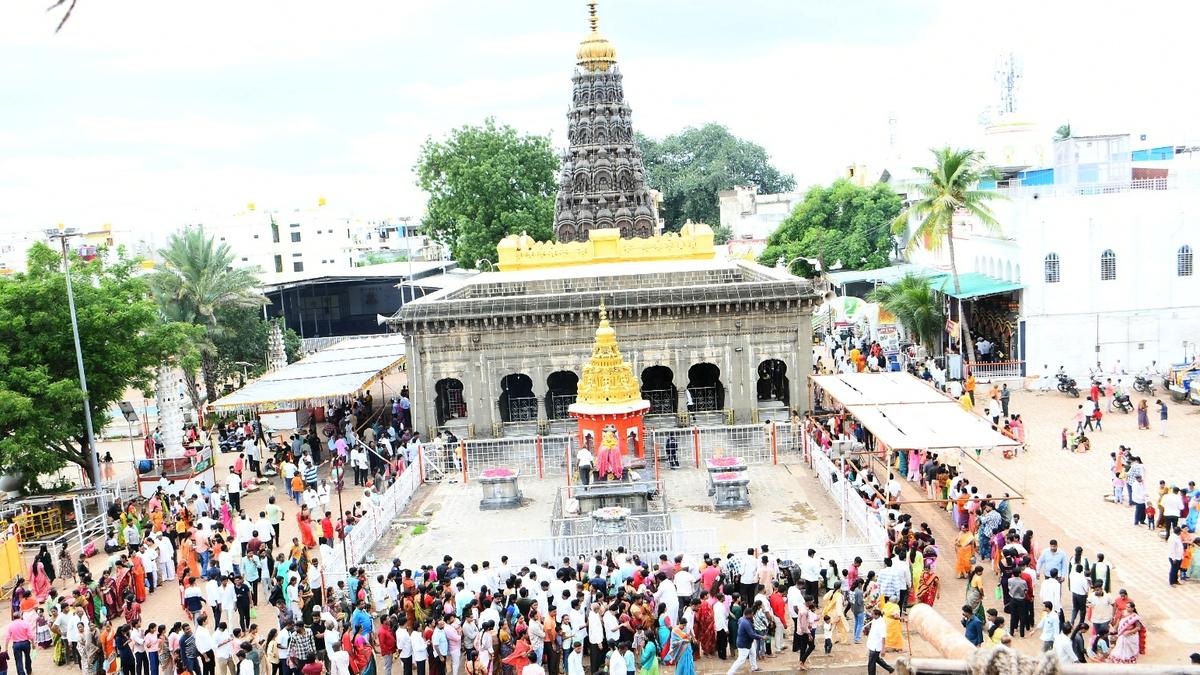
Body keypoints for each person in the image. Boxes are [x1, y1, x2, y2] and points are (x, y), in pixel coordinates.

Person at [865, 609, 893, 675]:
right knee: (877, 659)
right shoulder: (875, 619)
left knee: (871, 663)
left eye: (872, 614)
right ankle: (890, 669)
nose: (871, 615)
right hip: (872, 643)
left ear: (877, 615)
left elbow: (883, 637)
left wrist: (883, 649)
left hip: (876, 646)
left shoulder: (881, 624)